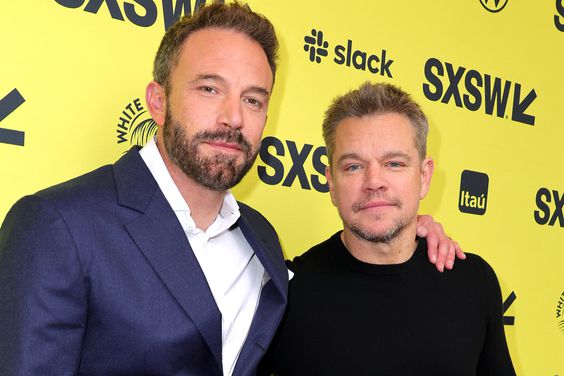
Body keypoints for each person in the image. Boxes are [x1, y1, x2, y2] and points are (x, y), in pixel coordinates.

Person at [0, 4, 462, 376]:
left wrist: (410, 233)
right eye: (208, 89)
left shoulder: (259, 240)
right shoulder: (58, 225)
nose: (233, 117)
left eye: (253, 99)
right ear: (158, 101)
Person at [261, 82, 515, 375]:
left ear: (424, 176)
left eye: (394, 163)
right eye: (353, 166)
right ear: (331, 182)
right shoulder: (286, 296)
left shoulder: (473, 282)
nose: (374, 181)